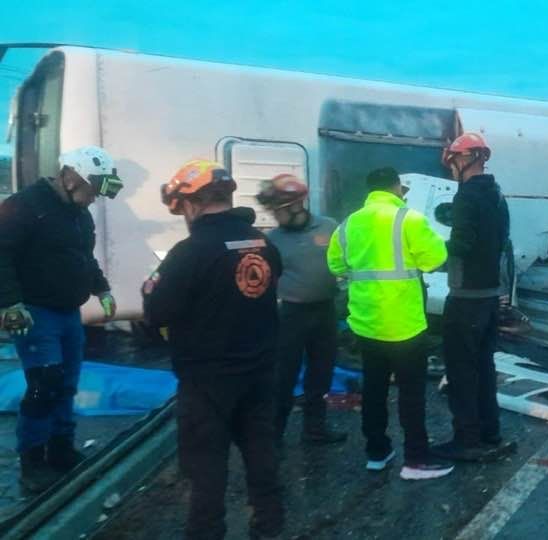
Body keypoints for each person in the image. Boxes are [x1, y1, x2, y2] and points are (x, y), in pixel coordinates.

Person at [142, 159, 284, 539]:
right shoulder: (262, 242)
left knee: (205, 468)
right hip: (258, 371)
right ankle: (269, 526)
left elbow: (157, 313)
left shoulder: (189, 252)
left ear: (191, 202)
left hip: (207, 381)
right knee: (261, 453)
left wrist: (149, 290)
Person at [0, 146, 122, 493]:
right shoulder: (24, 206)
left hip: (69, 313)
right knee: (45, 384)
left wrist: (102, 288)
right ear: (70, 177)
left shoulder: (79, 214)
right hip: (36, 312)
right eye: (91, 190)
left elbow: (83, 256)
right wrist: (9, 303)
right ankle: (32, 461)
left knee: (67, 383)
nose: (94, 199)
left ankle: (60, 450)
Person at [327, 167, 453, 480]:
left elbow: (335, 264)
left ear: (370, 190)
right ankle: (416, 460)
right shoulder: (409, 219)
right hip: (405, 326)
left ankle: (377, 453)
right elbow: (434, 260)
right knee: (411, 394)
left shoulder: (349, 223)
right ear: (397, 188)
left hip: (367, 324)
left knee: (374, 389)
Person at [431, 132, 515, 462]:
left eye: (453, 161)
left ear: (464, 160)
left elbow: (462, 245)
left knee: (462, 372)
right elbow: (499, 240)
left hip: (465, 298)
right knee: (483, 367)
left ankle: (467, 441)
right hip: (489, 297)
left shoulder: (466, 196)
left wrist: (431, 253)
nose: (452, 168)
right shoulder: (496, 194)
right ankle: (490, 434)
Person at [255, 174, 347, 447]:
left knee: (322, 373)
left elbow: (345, 260)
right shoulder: (272, 240)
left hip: (325, 312)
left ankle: (314, 429)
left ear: (297, 205)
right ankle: (274, 434)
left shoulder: (329, 227)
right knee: (283, 375)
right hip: (290, 315)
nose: (275, 216)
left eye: (278, 211)